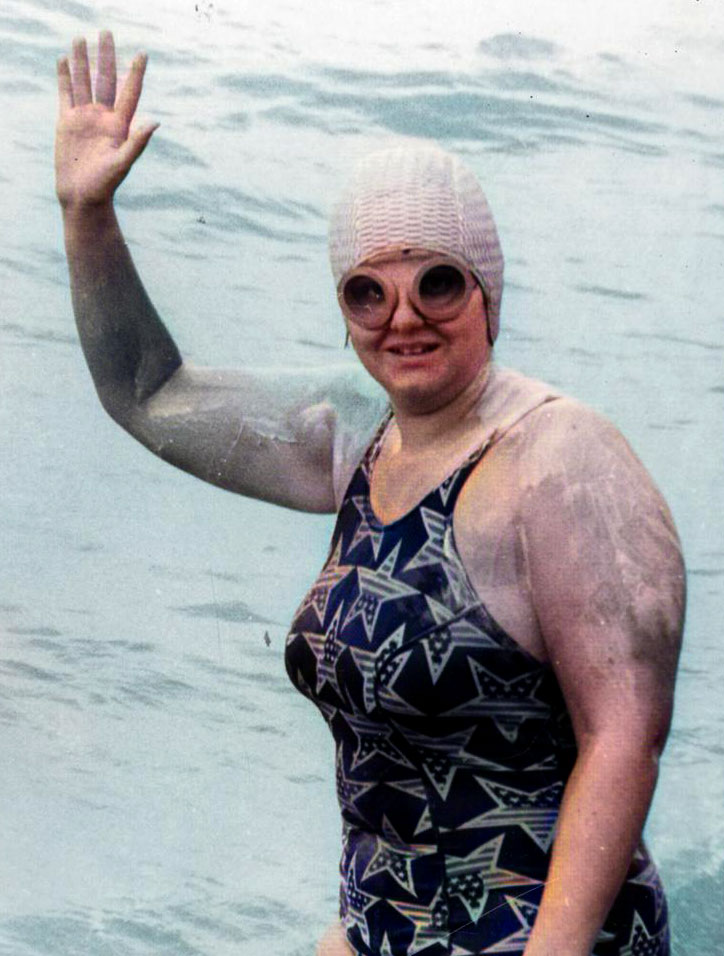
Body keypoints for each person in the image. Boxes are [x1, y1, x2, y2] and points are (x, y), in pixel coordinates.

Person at [55, 31, 685, 956]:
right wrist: (86, 215)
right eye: (366, 292)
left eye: (438, 282)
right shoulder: (359, 435)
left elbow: (624, 738)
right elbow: (147, 392)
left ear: (488, 290)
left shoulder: (562, 460)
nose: (403, 317)